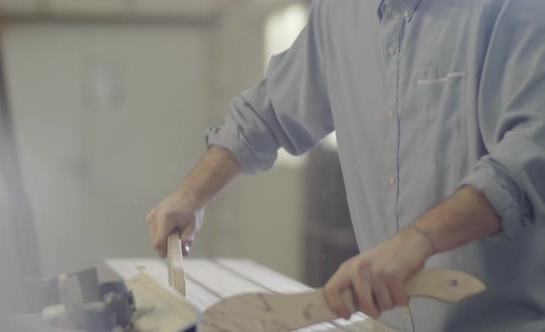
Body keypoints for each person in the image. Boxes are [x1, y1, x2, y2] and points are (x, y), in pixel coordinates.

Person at [146, 0, 545, 330]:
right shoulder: (339, 13)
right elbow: (265, 117)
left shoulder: (513, 9)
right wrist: (190, 195)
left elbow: (526, 163)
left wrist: (416, 240)